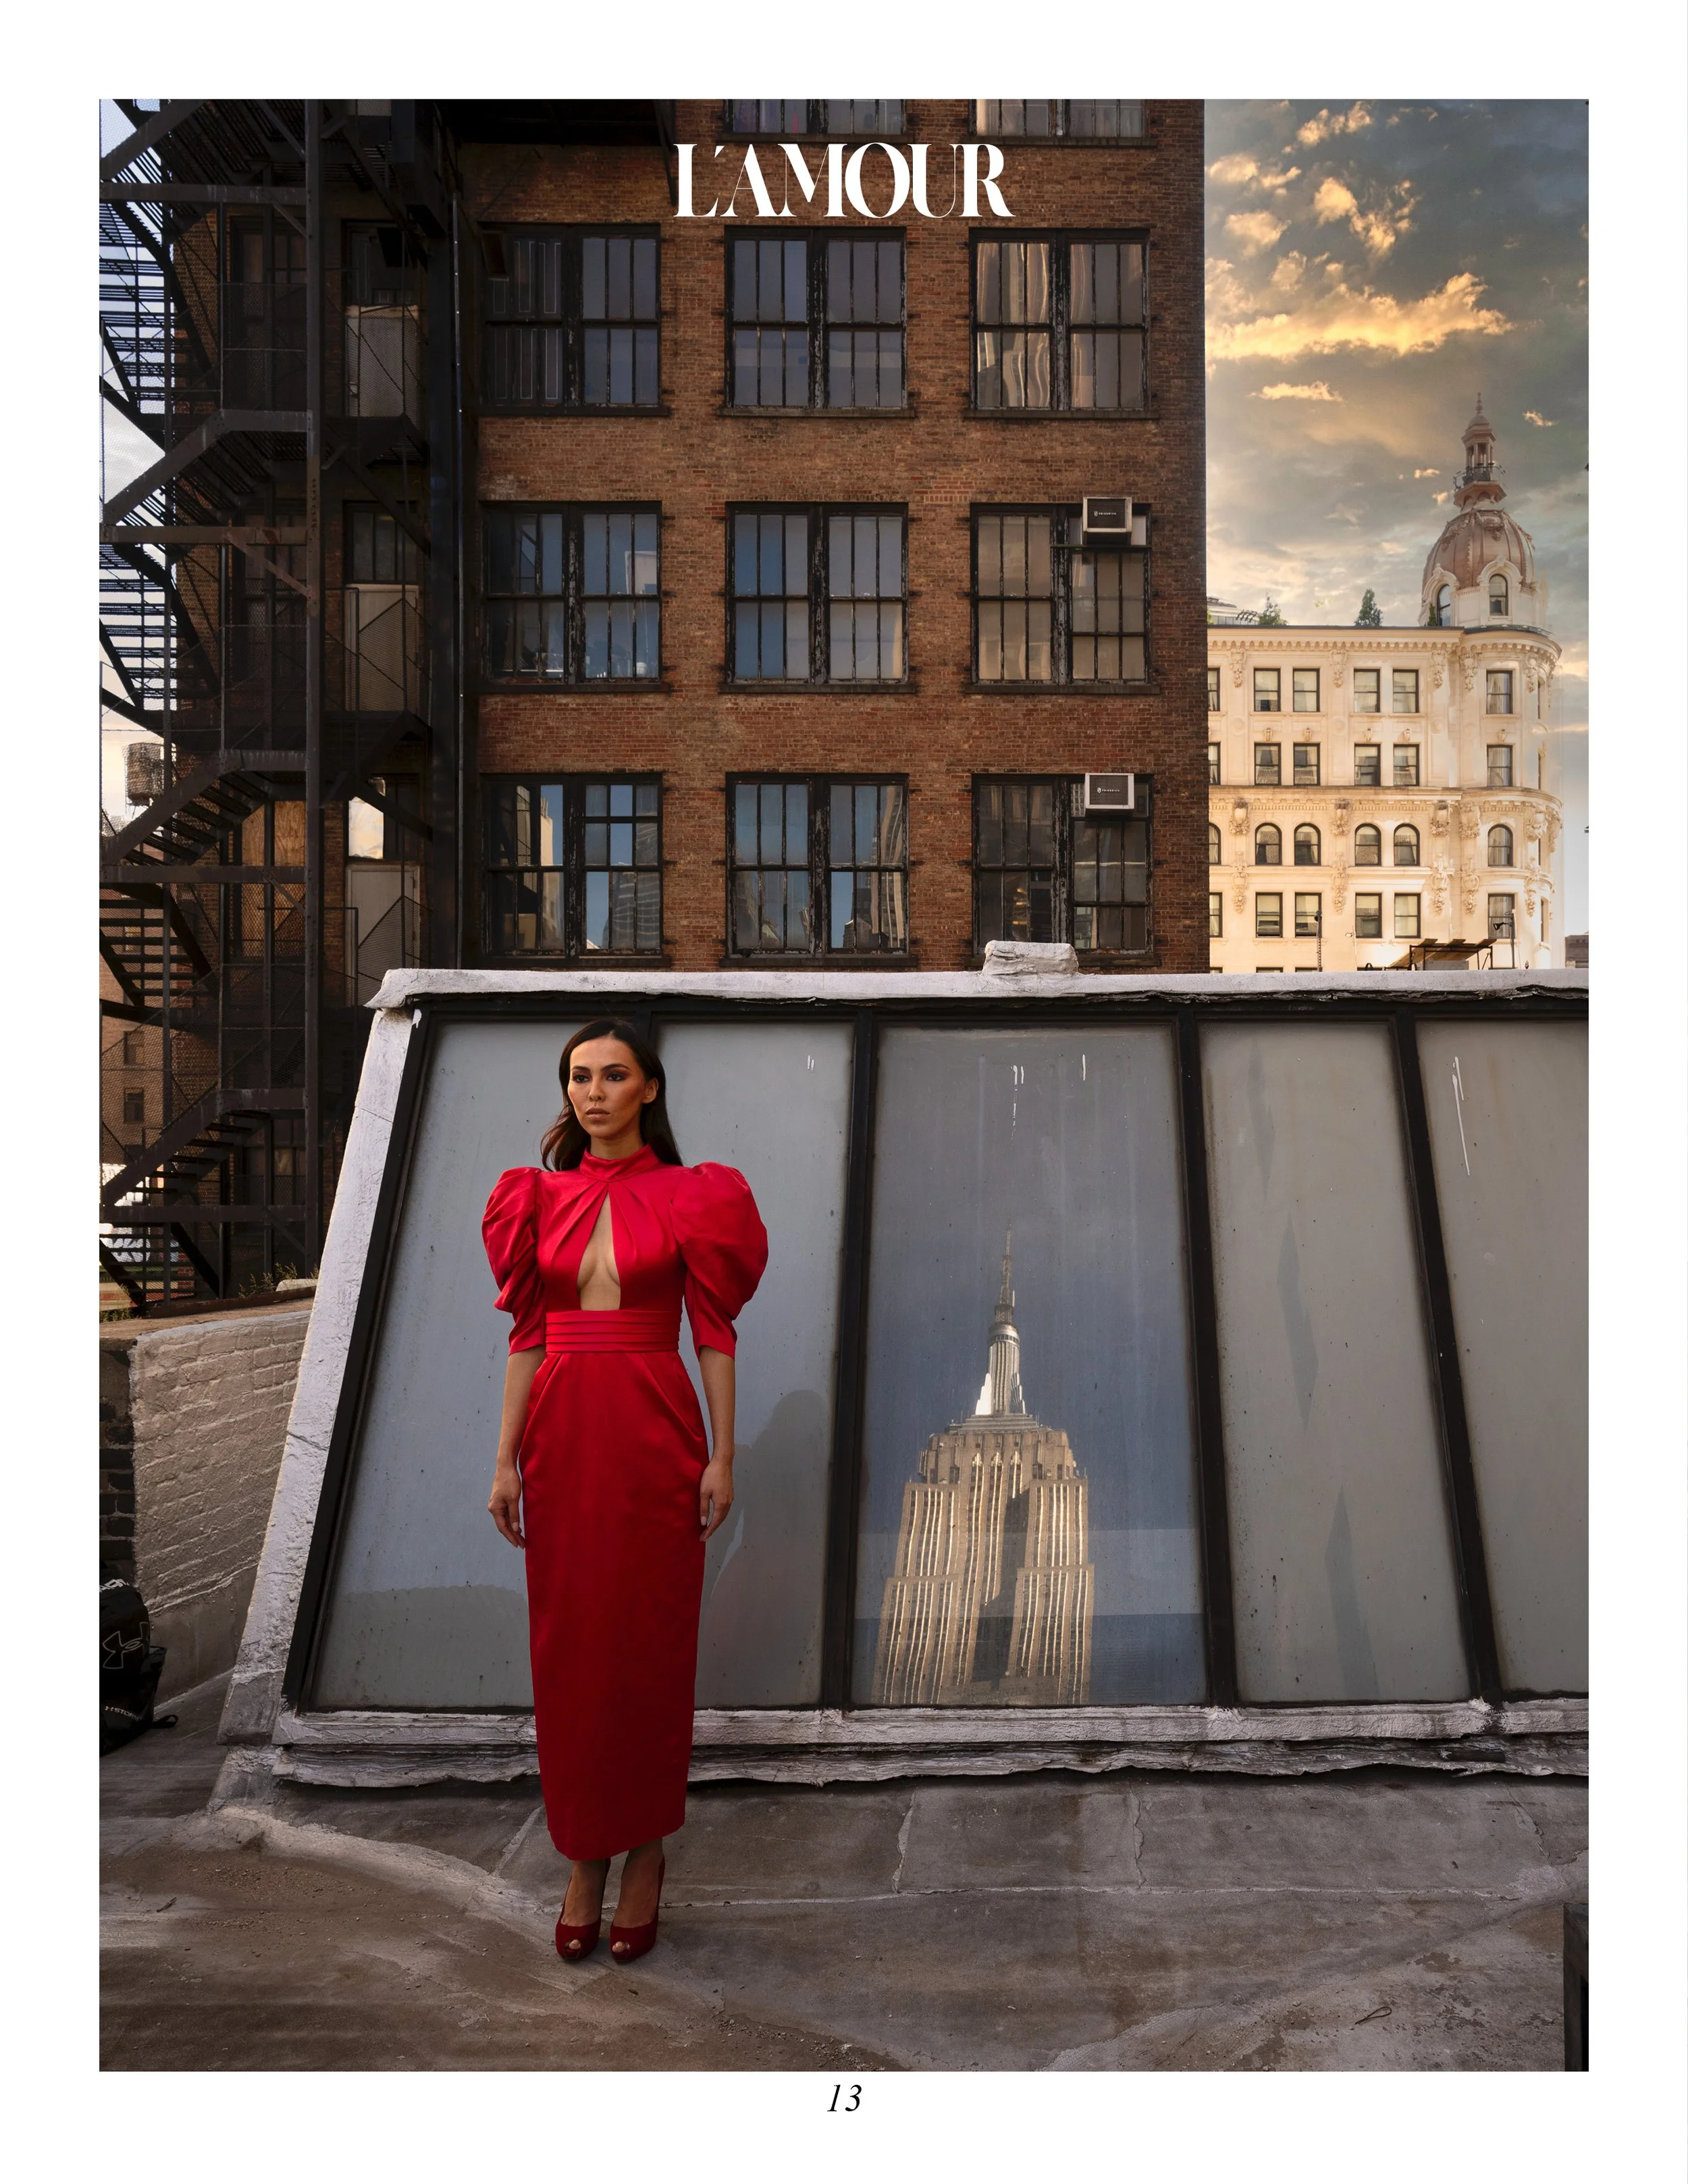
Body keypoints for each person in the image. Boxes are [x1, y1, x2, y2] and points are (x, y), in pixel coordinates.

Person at [483, 1019, 767, 1964]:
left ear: (650, 1087)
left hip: (656, 1428)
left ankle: (645, 1850)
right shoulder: (533, 1198)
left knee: (646, 1642)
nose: (591, 1092)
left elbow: (713, 1331)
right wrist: (504, 1457)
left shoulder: (694, 1195)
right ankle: (584, 1856)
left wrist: (724, 1455)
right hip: (563, 1433)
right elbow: (528, 1334)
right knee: (571, 1647)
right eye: (577, 1076)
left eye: (612, 1075)